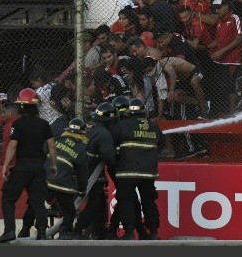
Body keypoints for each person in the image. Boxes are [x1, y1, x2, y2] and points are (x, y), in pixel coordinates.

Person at [0, 88, 58, 243]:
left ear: (21, 106)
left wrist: (5, 166)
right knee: (38, 201)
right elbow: (51, 146)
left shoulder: (18, 123)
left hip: (22, 166)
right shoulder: (44, 124)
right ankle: (42, 232)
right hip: (38, 167)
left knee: (8, 197)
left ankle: (9, 231)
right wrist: (54, 164)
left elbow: (12, 146)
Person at [19, 117, 89, 240]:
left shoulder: (55, 140)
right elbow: (82, 173)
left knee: (33, 204)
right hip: (62, 183)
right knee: (69, 211)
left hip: (43, 179)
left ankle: (24, 230)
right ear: (82, 134)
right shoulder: (81, 148)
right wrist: (82, 191)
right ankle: (64, 232)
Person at [111, 99, 164, 240]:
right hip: (148, 172)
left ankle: (129, 233)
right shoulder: (153, 126)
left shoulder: (122, 125)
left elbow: (112, 145)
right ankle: (153, 232)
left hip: (126, 171)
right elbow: (161, 144)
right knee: (149, 200)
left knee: (125, 201)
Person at [72, 103, 117, 240]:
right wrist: (115, 173)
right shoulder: (105, 134)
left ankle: (99, 232)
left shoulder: (91, 129)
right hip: (92, 175)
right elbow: (107, 156)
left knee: (99, 203)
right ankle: (77, 230)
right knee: (95, 203)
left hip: (80, 170)